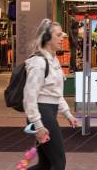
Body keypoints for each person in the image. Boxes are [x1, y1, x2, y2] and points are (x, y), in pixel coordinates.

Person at [23, 19, 80, 170]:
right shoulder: (38, 62)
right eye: (59, 35)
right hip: (42, 115)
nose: (62, 38)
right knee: (58, 163)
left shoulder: (53, 60)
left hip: (48, 112)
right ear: (47, 38)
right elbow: (29, 97)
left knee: (46, 164)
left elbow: (56, 93)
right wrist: (39, 125)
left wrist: (68, 114)